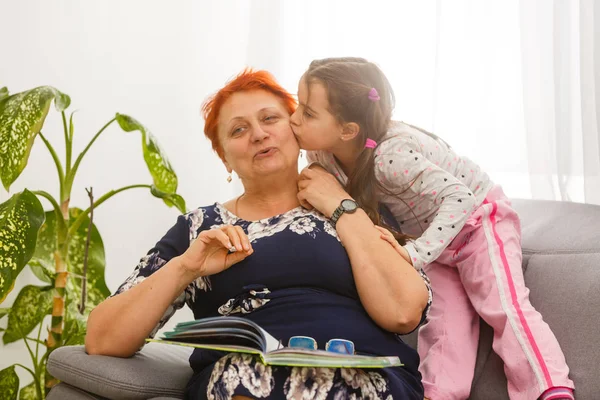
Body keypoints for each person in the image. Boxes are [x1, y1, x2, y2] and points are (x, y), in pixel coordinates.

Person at [85, 68, 432, 400]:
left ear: (297, 127)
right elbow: (102, 339)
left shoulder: (361, 202)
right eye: (238, 130)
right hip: (247, 379)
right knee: (241, 376)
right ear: (225, 159)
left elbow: (403, 312)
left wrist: (341, 207)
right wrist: (185, 267)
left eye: (270, 119)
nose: (258, 134)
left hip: (364, 376)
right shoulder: (198, 229)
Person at [290, 57, 575, 400]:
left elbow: (461, 198)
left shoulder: (391, 157)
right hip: (433, 241)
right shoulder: (322, 158)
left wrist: (414, 254)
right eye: (296, 106)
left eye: (307, 112)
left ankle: (549, 389)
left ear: (348, 130)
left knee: (503, 305)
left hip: (478, 221)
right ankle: (437, 394)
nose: (294, 118)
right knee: (442, 325)